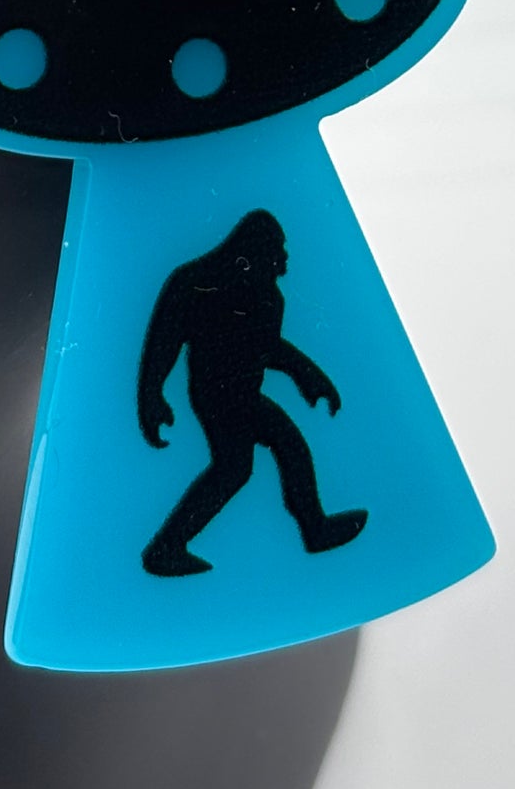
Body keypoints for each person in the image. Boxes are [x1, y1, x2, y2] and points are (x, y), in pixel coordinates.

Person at [137, 210, 366, 578]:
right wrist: (151, 395)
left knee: (283, 449)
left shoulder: (268, 298)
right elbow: (164, 343)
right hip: (216, 397)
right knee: (236, 468)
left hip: (244, 395)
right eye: (277, 249)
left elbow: (266, 347)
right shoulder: (195, 284)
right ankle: (166, 548)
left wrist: (309, 377)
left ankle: (314, 528)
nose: (284, 258)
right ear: (249, 255)